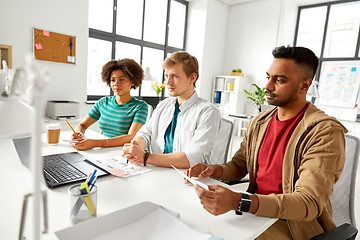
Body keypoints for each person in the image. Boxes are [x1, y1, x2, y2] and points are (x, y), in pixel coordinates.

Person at [186, 46, 347, 240]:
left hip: (294, 226)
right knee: (191, 224)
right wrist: (213, 170)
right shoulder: (260, 122)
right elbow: (239, 165)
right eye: (268, 77)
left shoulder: (324, 132)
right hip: (255, 213)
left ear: (304, 85)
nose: (268, 86)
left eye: (279, 80)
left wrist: (240, 201)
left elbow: (308, 203)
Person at [121, 51, 221, 169]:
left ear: (192, 78)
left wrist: (145, 157)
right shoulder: (163, 105)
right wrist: (135, 147)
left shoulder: (208, 112)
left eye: (175, 76)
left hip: (187, 178)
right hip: (158, 171)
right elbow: (146, 133)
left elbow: (194, 157)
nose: (168, 82)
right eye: (167, 76)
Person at [71, 58, 148, 150]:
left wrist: (96, 143)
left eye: (122, 80)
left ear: (133, 82)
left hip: (124, 151)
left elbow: (130, 137)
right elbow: (82, 125)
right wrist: (79, 133)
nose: (116, 84)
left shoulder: (140, 107)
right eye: (113, 80)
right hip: (104, 150)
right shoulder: (103, 103)